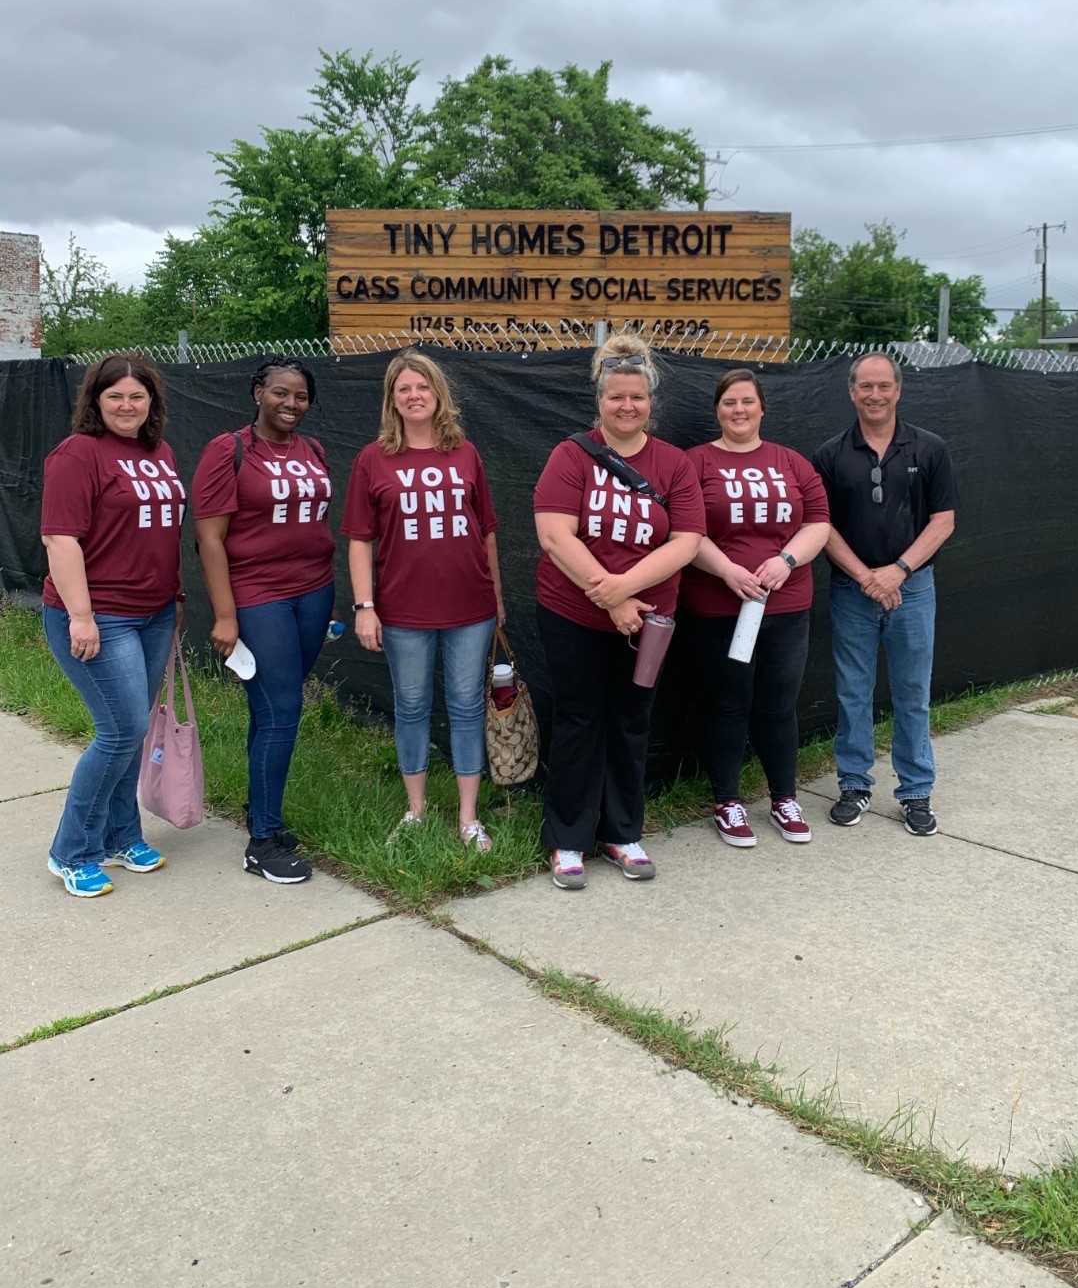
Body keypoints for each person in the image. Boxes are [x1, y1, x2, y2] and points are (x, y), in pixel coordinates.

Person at [534, 334, 705, 889]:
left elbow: (686, 541)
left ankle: (622, 832)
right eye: (616, 398)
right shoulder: (570, 455)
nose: (626, 407)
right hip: (571, 614)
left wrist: (624, 592)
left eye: (636, 398)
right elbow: (555, 534)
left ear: (651, 402)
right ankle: (567, 839)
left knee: (631, 722)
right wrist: (609, 596)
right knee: (579, 720)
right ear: (599, 401)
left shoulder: (673, 464)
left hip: (646, 623)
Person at [341, 352, 504, 852]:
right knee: (411, 707)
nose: (415, 396)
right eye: (404, 388)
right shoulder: (374, 458)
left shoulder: (466, 453)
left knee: (466, 705)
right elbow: (359, 540)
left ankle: (469, 817)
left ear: (438, 394)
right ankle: (415, 811)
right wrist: (363, 606)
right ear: (392, 399)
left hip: (469, 607)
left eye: (423, 387)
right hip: (403, 609)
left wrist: (497, 599)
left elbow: (487, 532)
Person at [41, 356, 186, 898]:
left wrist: (172, 594)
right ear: (96, 401)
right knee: (121, 731)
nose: (127, 406)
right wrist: (81, 615)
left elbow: (157, 529)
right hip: (100, 617)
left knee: (135, 729)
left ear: (152, 401)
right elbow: (60, 539)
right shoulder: (78, 454)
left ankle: (121, 836)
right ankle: (72, 850)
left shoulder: (159, 452)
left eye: (137, 396)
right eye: (115, 397)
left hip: (154, 613)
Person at [193, 358, 335, 885]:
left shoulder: (313, 450)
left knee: (271, 708)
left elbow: (315, 522)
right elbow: (209, 537)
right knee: (282, 710)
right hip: (258, 595)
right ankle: (262, 843)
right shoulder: (227, 450)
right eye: (280, 393)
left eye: (300, 396)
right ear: (258, 393)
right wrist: (226, 615)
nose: (291, 404)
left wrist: (327, 596)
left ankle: (262, 814)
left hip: (315, 593)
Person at [679, 369, 830, 848]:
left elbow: (819, 523)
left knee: (778, 704)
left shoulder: (792, 463)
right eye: (729, 403)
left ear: (763, 407)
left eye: (747, 401)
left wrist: (785, 560)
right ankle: (727, 800)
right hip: (719, 606)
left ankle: (783, 797)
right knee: (727, 703)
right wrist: (727, 570)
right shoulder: (695, 463)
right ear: (717, 411)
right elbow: (684, 530)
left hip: (785, 604)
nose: (738, 410)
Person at [812, 353, 958, 836]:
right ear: (851, 392)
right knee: (853, 692)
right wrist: (866, 577)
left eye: (884, 386)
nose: (875, 395)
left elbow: (944, 521)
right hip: (852, 593)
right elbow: (822, 526)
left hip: (913, 591)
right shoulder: (832, 453)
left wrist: (896, 572)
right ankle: (853, 784)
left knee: (913, 694)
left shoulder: (930, 448)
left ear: (898, 390)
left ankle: (916, 792)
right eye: (865, 387)